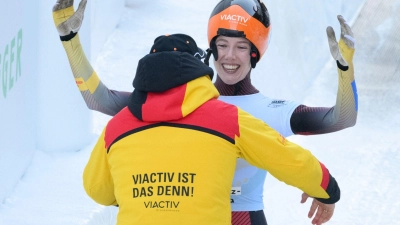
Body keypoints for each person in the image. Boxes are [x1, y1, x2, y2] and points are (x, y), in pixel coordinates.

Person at [53, 0, 357, 224]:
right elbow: (98, 99)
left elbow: (342, 118)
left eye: (240, 47)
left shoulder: (140, 114)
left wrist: (345, 70)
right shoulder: (199, 110)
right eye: (222, 45)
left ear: (255, 52)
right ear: (208, 53)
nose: (229, 56)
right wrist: (71, 42)